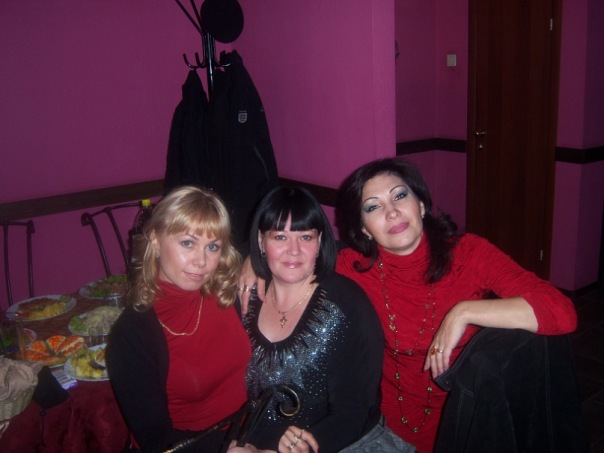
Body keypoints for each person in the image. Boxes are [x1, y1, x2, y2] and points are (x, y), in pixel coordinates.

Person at [239, 158, 578, 453]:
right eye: (373, 207)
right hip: (384, 432)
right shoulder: (353, 267)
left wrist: (464, 312)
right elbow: (298, 254)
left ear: (422, 205)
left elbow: (561, 311)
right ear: (364, 229)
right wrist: (252, 260)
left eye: (400, 196)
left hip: (467, 426)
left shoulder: (469, 254)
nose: (391, 212)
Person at [229, 187, 413, 453]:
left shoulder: (346, 306)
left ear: (320, 242)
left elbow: (352, 414)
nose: (293, 250)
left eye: (305, 237)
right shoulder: (244, 298)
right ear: (260, 241)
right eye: (280, 237)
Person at [107, 186, 251, 453]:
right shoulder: (132, 333)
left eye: (213, 247)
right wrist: (229, 447)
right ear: (155, 240)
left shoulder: (222, 294)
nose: (201, 261)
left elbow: (276, 243)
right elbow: (155, 439)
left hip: (247, 436)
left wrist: (254, 260)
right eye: (187, 243)